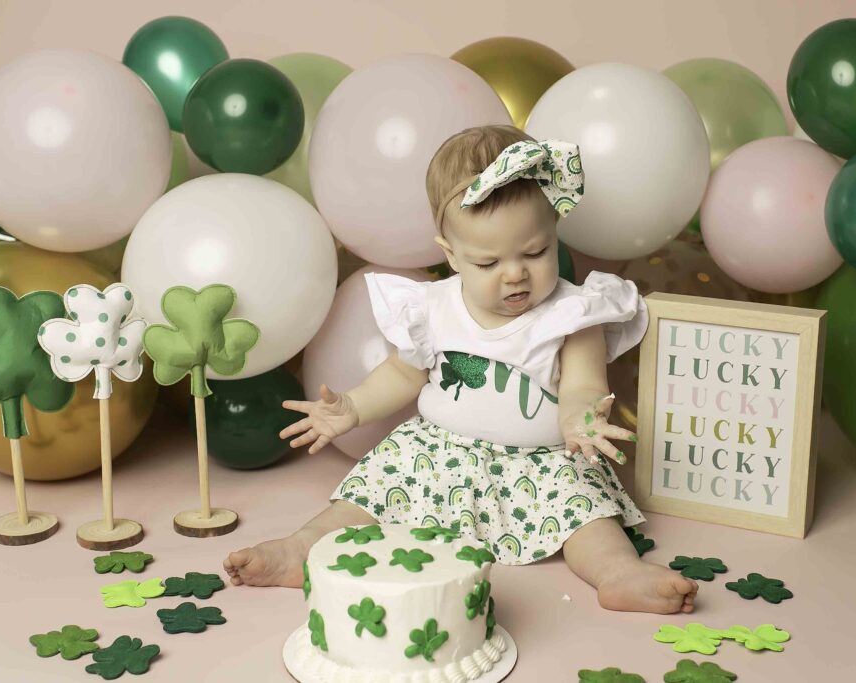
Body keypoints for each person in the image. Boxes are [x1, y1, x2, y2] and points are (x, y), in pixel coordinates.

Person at [224, 124, 698, 614]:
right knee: (370, 495)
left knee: (586, 516)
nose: (515, 273)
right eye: (488, 262)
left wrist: (581, 419)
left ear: (554, 233)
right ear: (451, 255)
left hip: (540, 461)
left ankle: (618, 574)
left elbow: (583, 384)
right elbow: (403, 375)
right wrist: (352, 407)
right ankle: (304, 548)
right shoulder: (433, 308)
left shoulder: (574, 314)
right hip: (439, 450)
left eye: (535, 252)